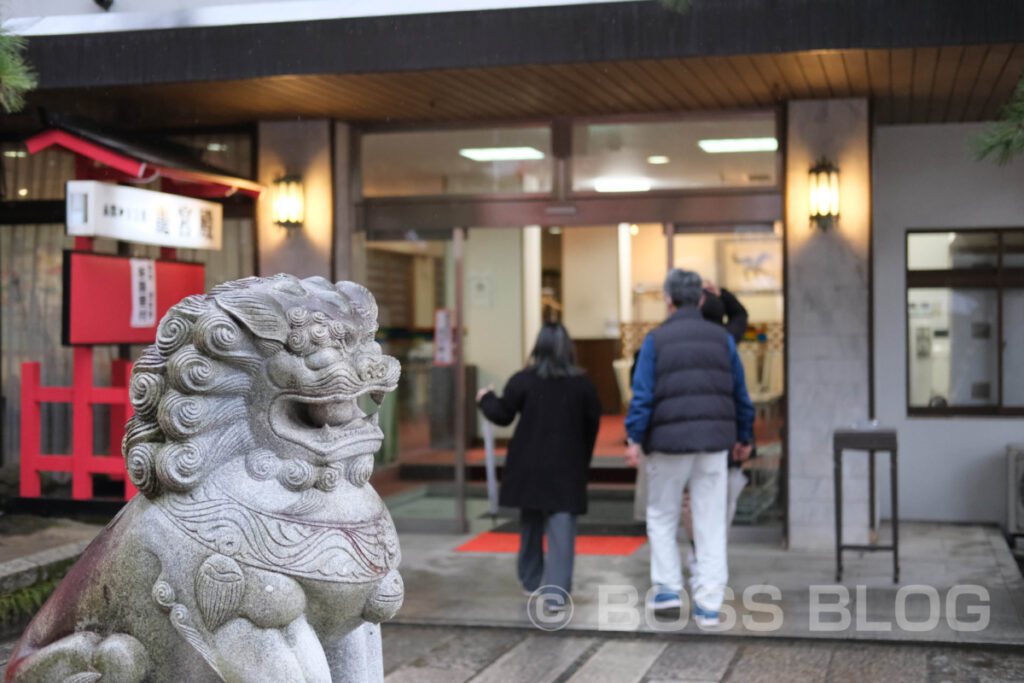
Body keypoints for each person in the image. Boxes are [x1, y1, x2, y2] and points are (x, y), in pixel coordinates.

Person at [625, 269, 754, 626]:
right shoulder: (722, 339)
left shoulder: (655, 340)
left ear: (668, 299)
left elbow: (642, 398)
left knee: (663, 515)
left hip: (666, 446)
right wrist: (744, 438)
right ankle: (709, 605)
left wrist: (634, 438)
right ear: (700, 299)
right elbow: (741, 395)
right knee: (710, 522)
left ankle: (667, 591)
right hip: (714, 445)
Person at [476, 322, 602, 604]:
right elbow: (592, 425)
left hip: (528, 466)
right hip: (567, 467)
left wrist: (485, 399)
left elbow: (503, 414)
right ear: (568, 348)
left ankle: (531, 582)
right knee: (561, 529)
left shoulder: (524, 380)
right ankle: (555, 595)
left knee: (530, 523)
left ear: (538, 346)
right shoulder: (583, 385)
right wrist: (583, 460)